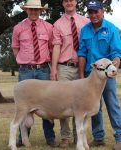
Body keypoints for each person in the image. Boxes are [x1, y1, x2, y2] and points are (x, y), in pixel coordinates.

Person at [11, 0, 58, 148]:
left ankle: (50, 138)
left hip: (43, 70)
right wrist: (22, 61)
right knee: (24, 106)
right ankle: (22, 138)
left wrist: (52, 68)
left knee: (48, 104)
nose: (33, 12)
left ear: (41, 11)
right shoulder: (18, 28)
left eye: (36, 10)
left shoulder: (49, 27)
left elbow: (52, 47)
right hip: (25, 71)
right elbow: (15, 47)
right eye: (31, 9)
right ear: (26, 10)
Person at [78, 0, 121, 150]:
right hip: (91, 74)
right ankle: (98, 137)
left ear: (102, 11)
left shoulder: (111, 29)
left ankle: (120, 138)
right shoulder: (85, 30)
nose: (94, 15)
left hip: (106, 75)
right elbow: (82, 53)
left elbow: (116, 52)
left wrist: (115, 64)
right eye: (90, 12)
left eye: (96, 11)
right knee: (94, 106)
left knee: (112, 104)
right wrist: (82, 74)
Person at [51, 0, 89, 148]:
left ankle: (78, 136)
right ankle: (65, 137)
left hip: (82, 66)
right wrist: (54, 69)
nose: (69, 3)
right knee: (63, 102)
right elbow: (56, 47)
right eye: (66, 0)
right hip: (64, 67)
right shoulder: (58, 24)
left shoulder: (86, 22)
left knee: (80, 103)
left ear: (76, 2)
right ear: (63, 3)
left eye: (71, 0)